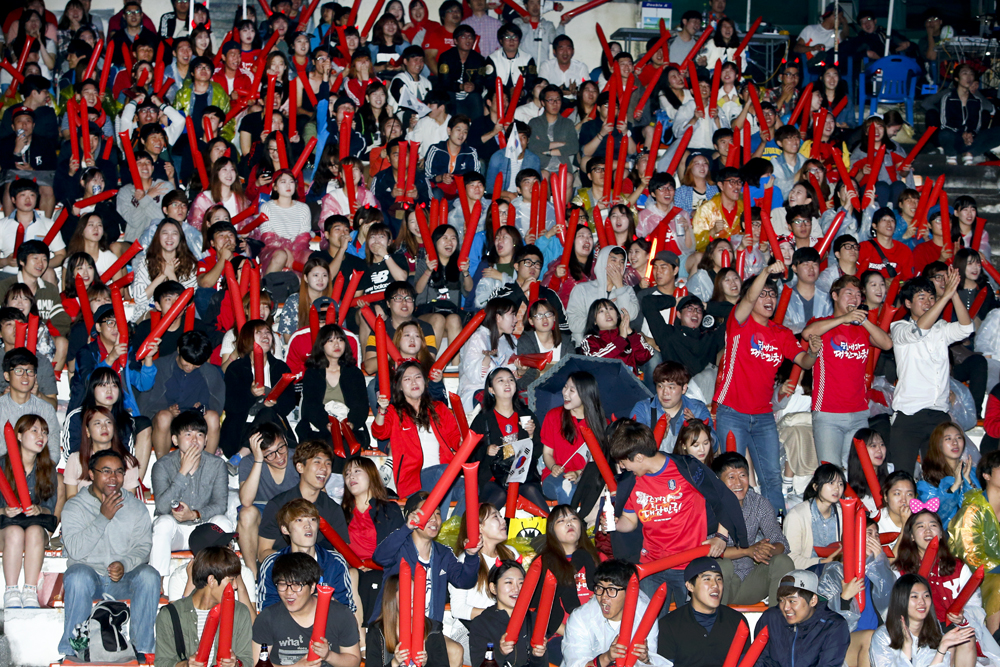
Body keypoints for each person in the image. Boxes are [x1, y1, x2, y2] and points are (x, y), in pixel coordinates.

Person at [714, 263, 821, 513]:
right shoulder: (739, 322)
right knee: (733, 475)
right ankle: (735, 526)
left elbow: (804, 362)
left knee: (772, 476)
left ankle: (776, 526)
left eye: (772, 294)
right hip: (732, 411)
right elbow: (749, 298)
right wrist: (765, 272)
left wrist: (814, 353)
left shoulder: (781, 333)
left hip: (763, 415)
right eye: (763, 294)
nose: (769, 299)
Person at [610, 418, 748, 603]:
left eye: (624, 461)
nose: (622, 467)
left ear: (640, 457)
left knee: (688, 618)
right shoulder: (631, 480)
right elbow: (630, 520)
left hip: (689, 565)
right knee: (650, 619)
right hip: (651, 565)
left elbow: (723, 498)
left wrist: (721, 537)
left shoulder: (686, 468)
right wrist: (615, 524)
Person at [59, 450, 159, 659]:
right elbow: (75, 550)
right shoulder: (74, 507)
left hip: (123, 579)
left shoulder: (135, 507)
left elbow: (143, 547)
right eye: (106, 471)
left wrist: (124, 564)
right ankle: (74, 649)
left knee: (149, 575)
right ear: (91, 474)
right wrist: (102, 518)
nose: (113, 477)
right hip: (90, 579)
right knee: (77, 576)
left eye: (119, 472)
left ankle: (142, 649)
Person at [801, 275, 893, 467]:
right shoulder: (823, 323)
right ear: (835, 296)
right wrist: (844, 318)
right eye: (849, 293)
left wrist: (863, 320)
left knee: (857, 471)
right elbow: (807, 333)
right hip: (828, 412)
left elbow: (887, 344)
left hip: (859, 413)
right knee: (831, 471)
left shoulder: (862, 329)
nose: (854, 298)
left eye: (858, 295)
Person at [890, 271, 973, 475]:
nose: (928, 302)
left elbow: (966, 328)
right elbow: (920, 330)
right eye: (922, 297)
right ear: (908, 303)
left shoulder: (941, 328)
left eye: (931, 297)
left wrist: (953, 294)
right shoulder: (898, 327)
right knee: (903, 476)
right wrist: (944, 297)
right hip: (909, 416)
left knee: (939, 477)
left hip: (939, 414)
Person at [149, 410, 233, 583]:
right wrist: (182, 472)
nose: (195, 440)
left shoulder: (217, 465)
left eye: (199, 435)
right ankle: (158, 582)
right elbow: (162, 507)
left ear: (206, 440)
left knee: (223, 522)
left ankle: (222, 579)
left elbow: (220, 505)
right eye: (188, 434)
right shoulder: (162, 466)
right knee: (163, 523)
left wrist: (195, 514)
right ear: (175, 440)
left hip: (204, 528)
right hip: (176, 531)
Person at [712, 452, 794, 606]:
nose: (738, 483)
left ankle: (776, 618)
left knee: (783, 561)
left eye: (742, 475)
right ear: (718, 481)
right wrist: (747, 551)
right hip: (718, 585)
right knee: (722, 565)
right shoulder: (709, 506)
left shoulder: (758, 503)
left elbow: (781, 542)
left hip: (749, 582)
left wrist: (765, 550)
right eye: (731, 477)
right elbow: (709, 550)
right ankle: (716, 619)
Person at [154, 546, 254, 667]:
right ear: (211, 580)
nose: (235, 586)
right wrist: (186, 665)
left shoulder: (240, 612)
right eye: (231, 580)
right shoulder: (171, 614)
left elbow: (247, 660)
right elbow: (162, 662)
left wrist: (236, 664)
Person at [817, 514, 894, 666]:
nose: (874, 539)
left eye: (877, 535)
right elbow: (825, 617)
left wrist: (880, 563)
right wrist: (844, 598)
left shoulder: (882, 573)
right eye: (869, 534)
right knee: (871, 638)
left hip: (879, 639)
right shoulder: (836, 571)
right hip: (843, 642)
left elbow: (890, 600)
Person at [562, 559, 670, 667]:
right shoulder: (580, 617)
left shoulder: (646, 615)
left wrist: (645, 660)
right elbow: (575, 664)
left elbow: (651, 658)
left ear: (630, 592)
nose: (604, 596)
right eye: (600, 588)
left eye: (612, 589)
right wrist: (607, 657)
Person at [257, 440, 350, 564]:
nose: (324, 468)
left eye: (328, 463)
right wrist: (295, 564)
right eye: (317, 462)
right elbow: (263, 552)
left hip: (319, 569)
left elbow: (344, 555)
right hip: (283, 568)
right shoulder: (278, 505)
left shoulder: (332, 509)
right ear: (300, 467)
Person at [0, 414, 59, 609]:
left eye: (44, 432)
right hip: (5, 528)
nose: (41, 436)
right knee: (15, 532)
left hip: (35, 527)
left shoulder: (48, 468)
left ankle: (30, 590)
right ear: (18, 435)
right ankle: (11, 591)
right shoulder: (2, 465)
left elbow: (49, 509)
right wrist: (4, 510)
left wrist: (38, 509)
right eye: (34, 430)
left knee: (33, 531)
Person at [257, 498, 354, 613]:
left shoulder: (334, 561)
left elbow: (347, 609)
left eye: (313, 520)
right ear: (285, 529)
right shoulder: (272, 564)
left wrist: (326, 601)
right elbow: (267, 610)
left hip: (327, 621)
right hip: (286, 623)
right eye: (299, 520)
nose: (308, 525)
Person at [138, 330, 224, 460]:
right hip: (166, 420)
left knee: (212, 417)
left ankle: (207, 464)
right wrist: (168, 411)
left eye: (196, 364)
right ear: (179, 350)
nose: (190, 367)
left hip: (195, 420)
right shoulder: (161, 366)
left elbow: (216, 403)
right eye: (187, 362)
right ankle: (164, 464)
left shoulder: (209, 372)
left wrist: (202, 408)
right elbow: (147, 402)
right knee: (164, 417)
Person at [219, 320, 297, 458]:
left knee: (267, 412)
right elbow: (230, 404)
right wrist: (250, 394)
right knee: (265, 412)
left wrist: (275, 403)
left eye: (268, 332)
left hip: (272, 426)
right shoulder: (236, 368)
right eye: (259, 332)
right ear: (247, 338)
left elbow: (290, 401)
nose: (265, 335)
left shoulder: (280, 367)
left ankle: (240, 456)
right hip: (242, 428)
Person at [656, 557, 751, 667]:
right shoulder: (669, 624)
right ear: (690, 586)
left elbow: (745, 662)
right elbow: (665, 664)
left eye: (719, 579)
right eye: (707, 579)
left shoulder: (737, 621)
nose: (715, 585)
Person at [298, 323, 371, 464]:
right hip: (320, 427)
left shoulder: (354, 373)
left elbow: (361, 405)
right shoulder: (312, 373)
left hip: (349, 427)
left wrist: (351, 424)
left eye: (340, 340)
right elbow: (311, 405)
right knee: (329, 444)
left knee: (347, 443)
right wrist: (326, 424)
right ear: (322, 345)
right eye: (330, 341)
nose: (336, 344)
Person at [869, 574, 979, 666]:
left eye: (926, 596)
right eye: (914, 597)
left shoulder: (934, 631)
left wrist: (942, 649)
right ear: (901, 600)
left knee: (959, 642)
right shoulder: (883, 636)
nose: (922, 602)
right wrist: (907, 647)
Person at [752, 570, 850, 667]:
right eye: (781, 600)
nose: (786, 607)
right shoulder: (771, 618)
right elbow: (759, 659)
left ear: (813, 600)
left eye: (792, 601)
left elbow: (829, 664)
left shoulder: (833, 625)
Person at [948, 450, 1000, 633]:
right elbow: (970, 554)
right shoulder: (973, 508)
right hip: (981, 576)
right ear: (986, 475)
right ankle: (995, 641)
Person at [539, 371, 609, 505]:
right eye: (565, 387)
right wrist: (553, 466)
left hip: (586, 476)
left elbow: (600, 461)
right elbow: (547, 453)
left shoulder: (600, 423)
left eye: (572, 390)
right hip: (556, 477)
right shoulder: (554, 416)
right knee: (566, 488)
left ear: (586, 394)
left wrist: (579, 473)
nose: (565, 393)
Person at [468, 560, 549, 667]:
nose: (516, 589)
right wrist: (499, 653)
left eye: (521, 583)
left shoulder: (534, 620)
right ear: (493, 588)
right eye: (509, 582)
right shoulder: (481, 624)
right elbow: (479, 664)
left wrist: (537, 656)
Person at [364, 572, 451, 667]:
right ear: (392, 599)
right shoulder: (377, 632)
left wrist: (425, 664)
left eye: (416, 593)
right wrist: (394, 663)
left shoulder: (432, 628)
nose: (413, 599)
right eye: (407, 594)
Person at [630, 362, 713, 454]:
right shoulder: (643, 409)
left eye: (671, 387)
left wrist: (696, 428)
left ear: (684, 388)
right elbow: (633, 446)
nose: (665, 393)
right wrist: (658, 436)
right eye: (660, 386)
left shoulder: (697, 409)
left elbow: (714, 444)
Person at [62, 406, 141, 499]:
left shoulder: (127, 461)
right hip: (83, 507)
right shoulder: (75, 459)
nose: (104, 427)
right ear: (87, 431)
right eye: (97, 423)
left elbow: (129, 499)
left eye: (108, 422)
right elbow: (71, 498)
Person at [566, 246, 639, 345]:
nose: (618, 265)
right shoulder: (582, 289)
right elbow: (573, 324)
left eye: (622, 262)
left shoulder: (627, 290)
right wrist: (599, 316)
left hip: (619, 347)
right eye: (614, 260)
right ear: (602, 262)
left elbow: (631, 316)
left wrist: (620, 287)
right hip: (587, 347)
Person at [0, 348, 60, 463]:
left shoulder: (46, 409)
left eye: (30, 371)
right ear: (7, 376)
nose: (25, 376)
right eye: (19, 371)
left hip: (37, 470)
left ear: (35, 376)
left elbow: (53, 452)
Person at [783, 463, 846, 571]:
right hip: (806, 573)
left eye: (840, 484)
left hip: (835, 572)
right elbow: (790, 559)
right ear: (816, 486)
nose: (837, 488)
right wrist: (822, 562)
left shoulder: (842, 514)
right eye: (831, 483)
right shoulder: (796, 515)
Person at [917, 422, 978, 527]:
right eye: (948, 439)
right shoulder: (928, 478)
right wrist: (954, 487)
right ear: (938, 444)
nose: (955, 443)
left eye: (958, 438)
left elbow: (980, 509)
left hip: (970, 532)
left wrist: (968, 482)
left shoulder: (972, 472)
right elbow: (933, 517)